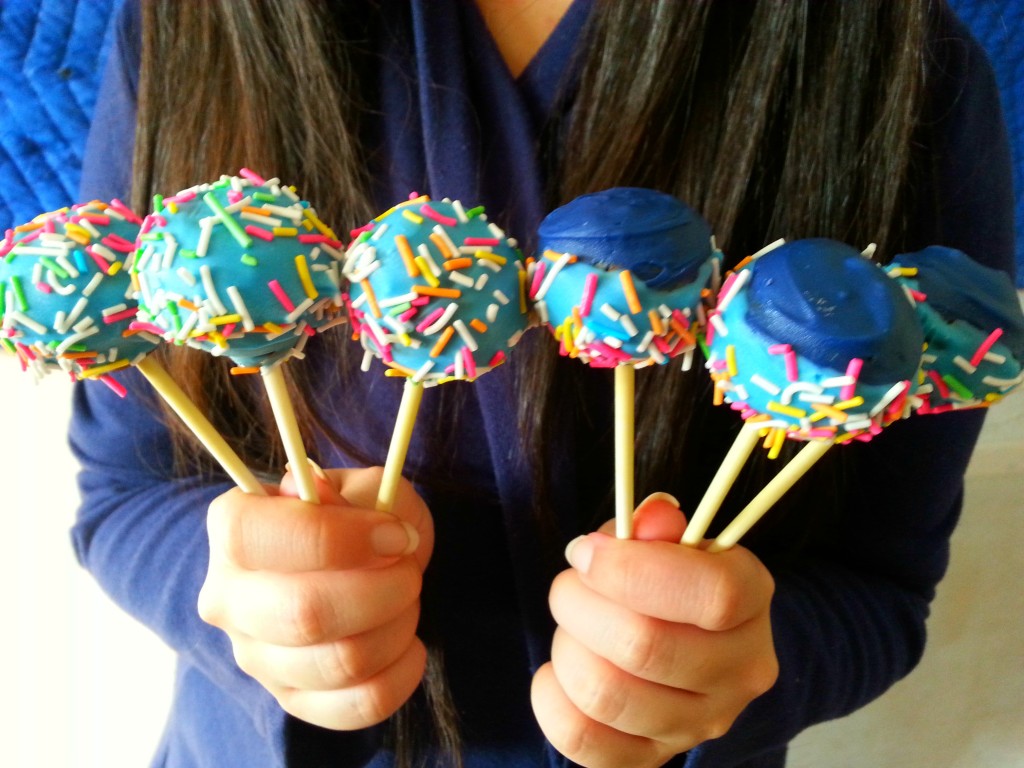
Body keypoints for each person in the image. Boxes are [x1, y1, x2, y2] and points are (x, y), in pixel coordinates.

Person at [72, 1, 1015, 766]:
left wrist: (750, 659)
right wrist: (241, 587)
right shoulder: (187, 25)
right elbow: (121, 491)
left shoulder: (901, 65)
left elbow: (882, 590)